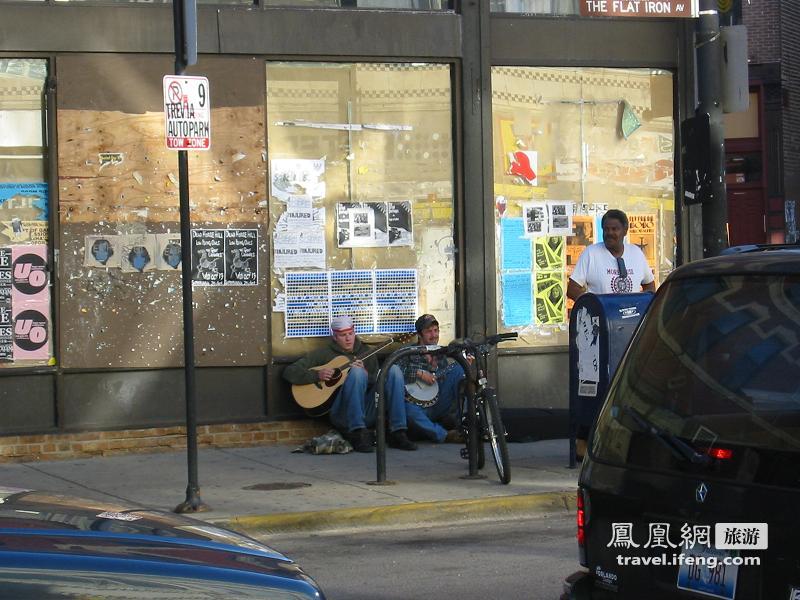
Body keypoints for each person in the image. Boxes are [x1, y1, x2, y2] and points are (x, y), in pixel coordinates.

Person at [283, 315, 417, 453]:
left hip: (368, 409)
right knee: (356, 373)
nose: (348, 339)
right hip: (342, 413)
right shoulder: (324, 354)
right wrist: (317, 375)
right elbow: (290, 371)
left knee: (393, 370)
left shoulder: (367, 353)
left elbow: (377, 384)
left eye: (350, 334)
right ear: (335, 337)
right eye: (343, 335)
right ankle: (357, 433)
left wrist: (367, 375)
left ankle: (398, 432)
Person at [391, 314, 465, 444]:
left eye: (436, 330)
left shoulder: (442, 353)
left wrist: (465, 366)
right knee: (408, 411)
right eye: (428, 331)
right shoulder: (407, 352)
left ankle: (465, 426)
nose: (434, 335)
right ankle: (444, 435)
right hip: (416, 407)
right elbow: (392, 372)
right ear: (419, 335)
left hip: (437, 403)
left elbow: (445, 383)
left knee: (459, 369)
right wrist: (418, 373)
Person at [567, 208, 655, 301]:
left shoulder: (636, 253)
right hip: (601, 314)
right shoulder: (591, 253)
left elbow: (650, 286)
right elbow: (572, 289)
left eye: (614, 229)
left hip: (631, 314)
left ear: (625, 231)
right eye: (606, 229)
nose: (610, 233)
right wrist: (593, 304)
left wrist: (642, 305)